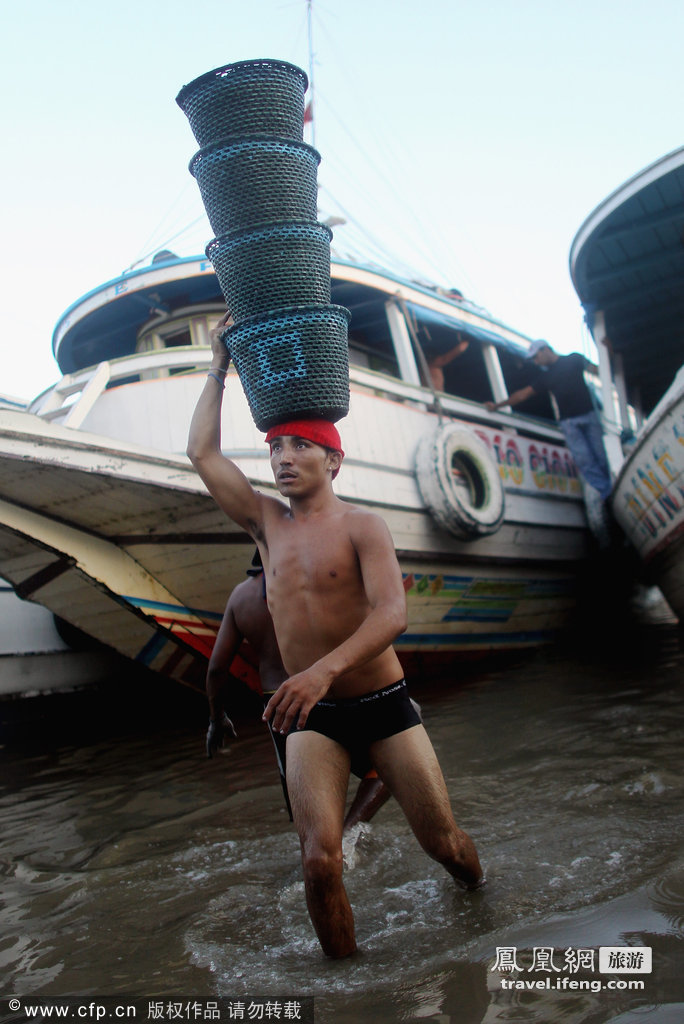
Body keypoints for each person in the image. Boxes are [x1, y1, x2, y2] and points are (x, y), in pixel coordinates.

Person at [187, 313, 483, 959]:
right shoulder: (267, 525)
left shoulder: (363, 527)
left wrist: (322, 669)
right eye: (274, 448)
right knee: (319, 861)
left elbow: (390, 616)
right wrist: (218, 366)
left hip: (383, 708)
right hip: (311, 718)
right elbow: (203, 455)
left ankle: (483, 907)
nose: (283, 458)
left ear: (333, 460)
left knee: (446, 848)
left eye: (298, 446)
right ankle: (345, 987)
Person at [205, 554, 391, 832]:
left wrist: (216, 718)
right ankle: (349, 833)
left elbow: (216, 670)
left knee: (306, 811)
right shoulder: (310, 580)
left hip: (279, 704)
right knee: (388, 767)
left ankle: (324, 852)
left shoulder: (241, 596)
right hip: (325, 690)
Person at [485, 339, 613, 499]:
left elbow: (600, 371)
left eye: (536, 357)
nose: (535, 362)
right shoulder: (546, 377)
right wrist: (497, 405)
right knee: (584, 461)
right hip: (569, 424)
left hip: (590, 416)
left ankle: (613, 487)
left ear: (545, 349)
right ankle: (607, 493)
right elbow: (522, 395)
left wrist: (608, 352)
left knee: (602, 455)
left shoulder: (574, 359)